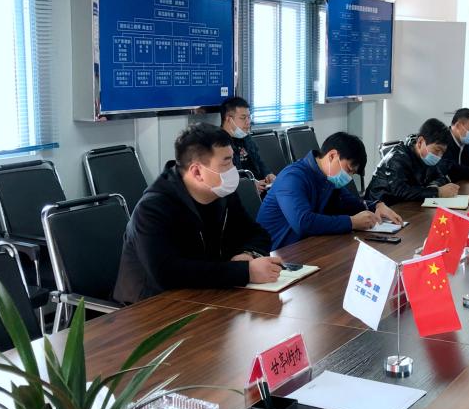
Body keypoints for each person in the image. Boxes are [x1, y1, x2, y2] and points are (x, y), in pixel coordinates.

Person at [113, 124, 282, 304]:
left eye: (232, 160)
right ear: (197, 171)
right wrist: (244, 272)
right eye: (226, 163)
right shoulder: (153, 208)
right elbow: (167, 273)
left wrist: (247, 255)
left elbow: (257, 233)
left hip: (208, 296)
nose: (233, 169)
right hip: (151, 307)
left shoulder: (221, 193)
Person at [257, 132, 403, 249]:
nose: (349, 177)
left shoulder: (328, 179)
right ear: (332, 156)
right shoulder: (292, 177)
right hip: (278, 254)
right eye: (349, 170)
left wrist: (377, 205)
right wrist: (351, 222)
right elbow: (303, 223)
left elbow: (350, 203)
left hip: (308, 247)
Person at [365, 118, 459, 205]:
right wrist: (437, 192)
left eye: (442, 152)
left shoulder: (426, 158)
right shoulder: (397, 158)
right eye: (437, 150)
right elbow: (401, 192)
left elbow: (440, 177)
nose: (439, 156)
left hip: (407, 206)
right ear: (420, 142)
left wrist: (434, 186)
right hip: (381, 207)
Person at [219, 96, 273, 195]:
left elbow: (259, 161)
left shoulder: (246, 138)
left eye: (249, 117)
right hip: (241, 193)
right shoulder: (219, 144)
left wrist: (268, 174)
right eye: (243, 118)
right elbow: (226, 177)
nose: (248, 122)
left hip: (261, 188)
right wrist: (249, 185)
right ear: (228, 119)